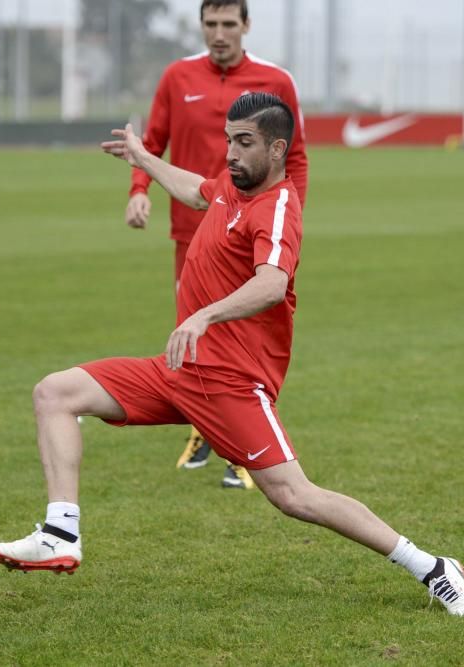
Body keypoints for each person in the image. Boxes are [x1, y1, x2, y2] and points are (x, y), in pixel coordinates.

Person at [0, 93, 464, 617]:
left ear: (278, 147)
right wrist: (143, 159)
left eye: (245, 143)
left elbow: (271, 282)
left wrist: (204, 315)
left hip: (233, 385)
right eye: (229, 142)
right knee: (55, 392)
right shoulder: (229, 188)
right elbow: (197, 191)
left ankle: (430, 566)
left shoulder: (279, 208)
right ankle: (61, 534)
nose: (231, 154)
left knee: (294, 496)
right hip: (177, 371)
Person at [125, 0, 309, 489]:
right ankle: (202, 430)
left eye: (229, 24)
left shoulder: (276, 80)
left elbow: (298, 158)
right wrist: (138, 190)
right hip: (195, 228)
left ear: (246, 26)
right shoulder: (177, 77)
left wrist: (284, 226)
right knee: (194, 330)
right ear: (202, 26)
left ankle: (245, 450)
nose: (220, 33)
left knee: (246, 337)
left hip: (258, 235)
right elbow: (155, 141)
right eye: (211, 24)